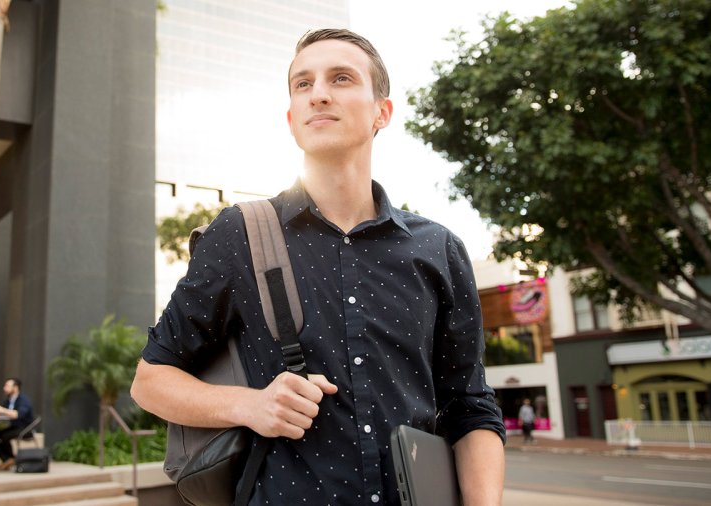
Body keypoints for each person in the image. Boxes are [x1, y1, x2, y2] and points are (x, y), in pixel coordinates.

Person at [131, 28, 506, 505]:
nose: (319, 94)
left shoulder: (439, 249)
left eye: (342, 78)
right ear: (292, 119)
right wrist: (252, 405)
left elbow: (470, 407)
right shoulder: (237, 234)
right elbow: (150, 380)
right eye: (303, 84)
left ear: (381, 112)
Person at [0, 377, 34, 471]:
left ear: (15, 387)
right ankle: (7, 459)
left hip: (24, 428)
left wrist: (1, 409)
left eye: (7, 385)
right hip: (12, 427)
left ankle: (10, 459)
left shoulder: (23, 400)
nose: (4, 388)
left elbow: (18, 414)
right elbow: (3, 413)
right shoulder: (8, 401)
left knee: (4, 437)